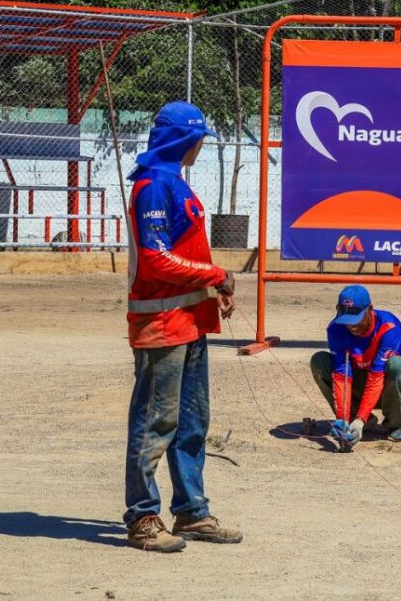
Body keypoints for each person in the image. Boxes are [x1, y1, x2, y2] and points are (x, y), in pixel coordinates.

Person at [123, 101, 242, 552]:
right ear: (183, 140)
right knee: (156, 422)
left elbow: (184, 253)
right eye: (198, 140)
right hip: (162, 324)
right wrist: (215, 276)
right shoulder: (153, 187)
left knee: (192, 423)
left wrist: (213, 290)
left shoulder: (174, 184)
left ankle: (191, 513)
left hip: (191, 321)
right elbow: (156, 259)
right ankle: (142, 517)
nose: (199, 148)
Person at [310, 285, 401, 448]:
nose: (352, 326)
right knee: (319, 361)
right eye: (347, 321)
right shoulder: (336, 329)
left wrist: (359, 419)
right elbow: (342, 375)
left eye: (356, 319)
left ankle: (396, 423)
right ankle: (353, 420)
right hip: (362, 384)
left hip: (394, 385)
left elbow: (376, 377)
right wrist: (343, 417)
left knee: (396, 365)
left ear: (370, 309)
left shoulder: (388, 327)